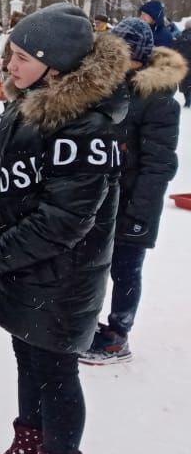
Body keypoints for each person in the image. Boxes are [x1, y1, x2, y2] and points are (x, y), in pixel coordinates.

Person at [0, 3, 128, 454]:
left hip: (62, 276)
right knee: (28, 359)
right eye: (10, 53)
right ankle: (28, 448)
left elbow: (64, 221)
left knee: (54, 371)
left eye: (21, 56)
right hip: (27, 269)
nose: (9, 64)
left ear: (54, 64)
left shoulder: (87, 127)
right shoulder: (27, 104)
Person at [78, 19, 185, 365]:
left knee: (125, 268)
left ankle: (117, 334)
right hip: (99, 197)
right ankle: (85, 323)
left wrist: (139, 214)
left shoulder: (158, 100)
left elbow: (159, 164)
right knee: (90, 262)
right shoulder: (106, 87)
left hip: (133, 202)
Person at [174, 20, 191, 108]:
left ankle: (188, 100)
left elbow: (175, 49)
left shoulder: (181, 37)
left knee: (185, 82)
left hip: (184, 62)